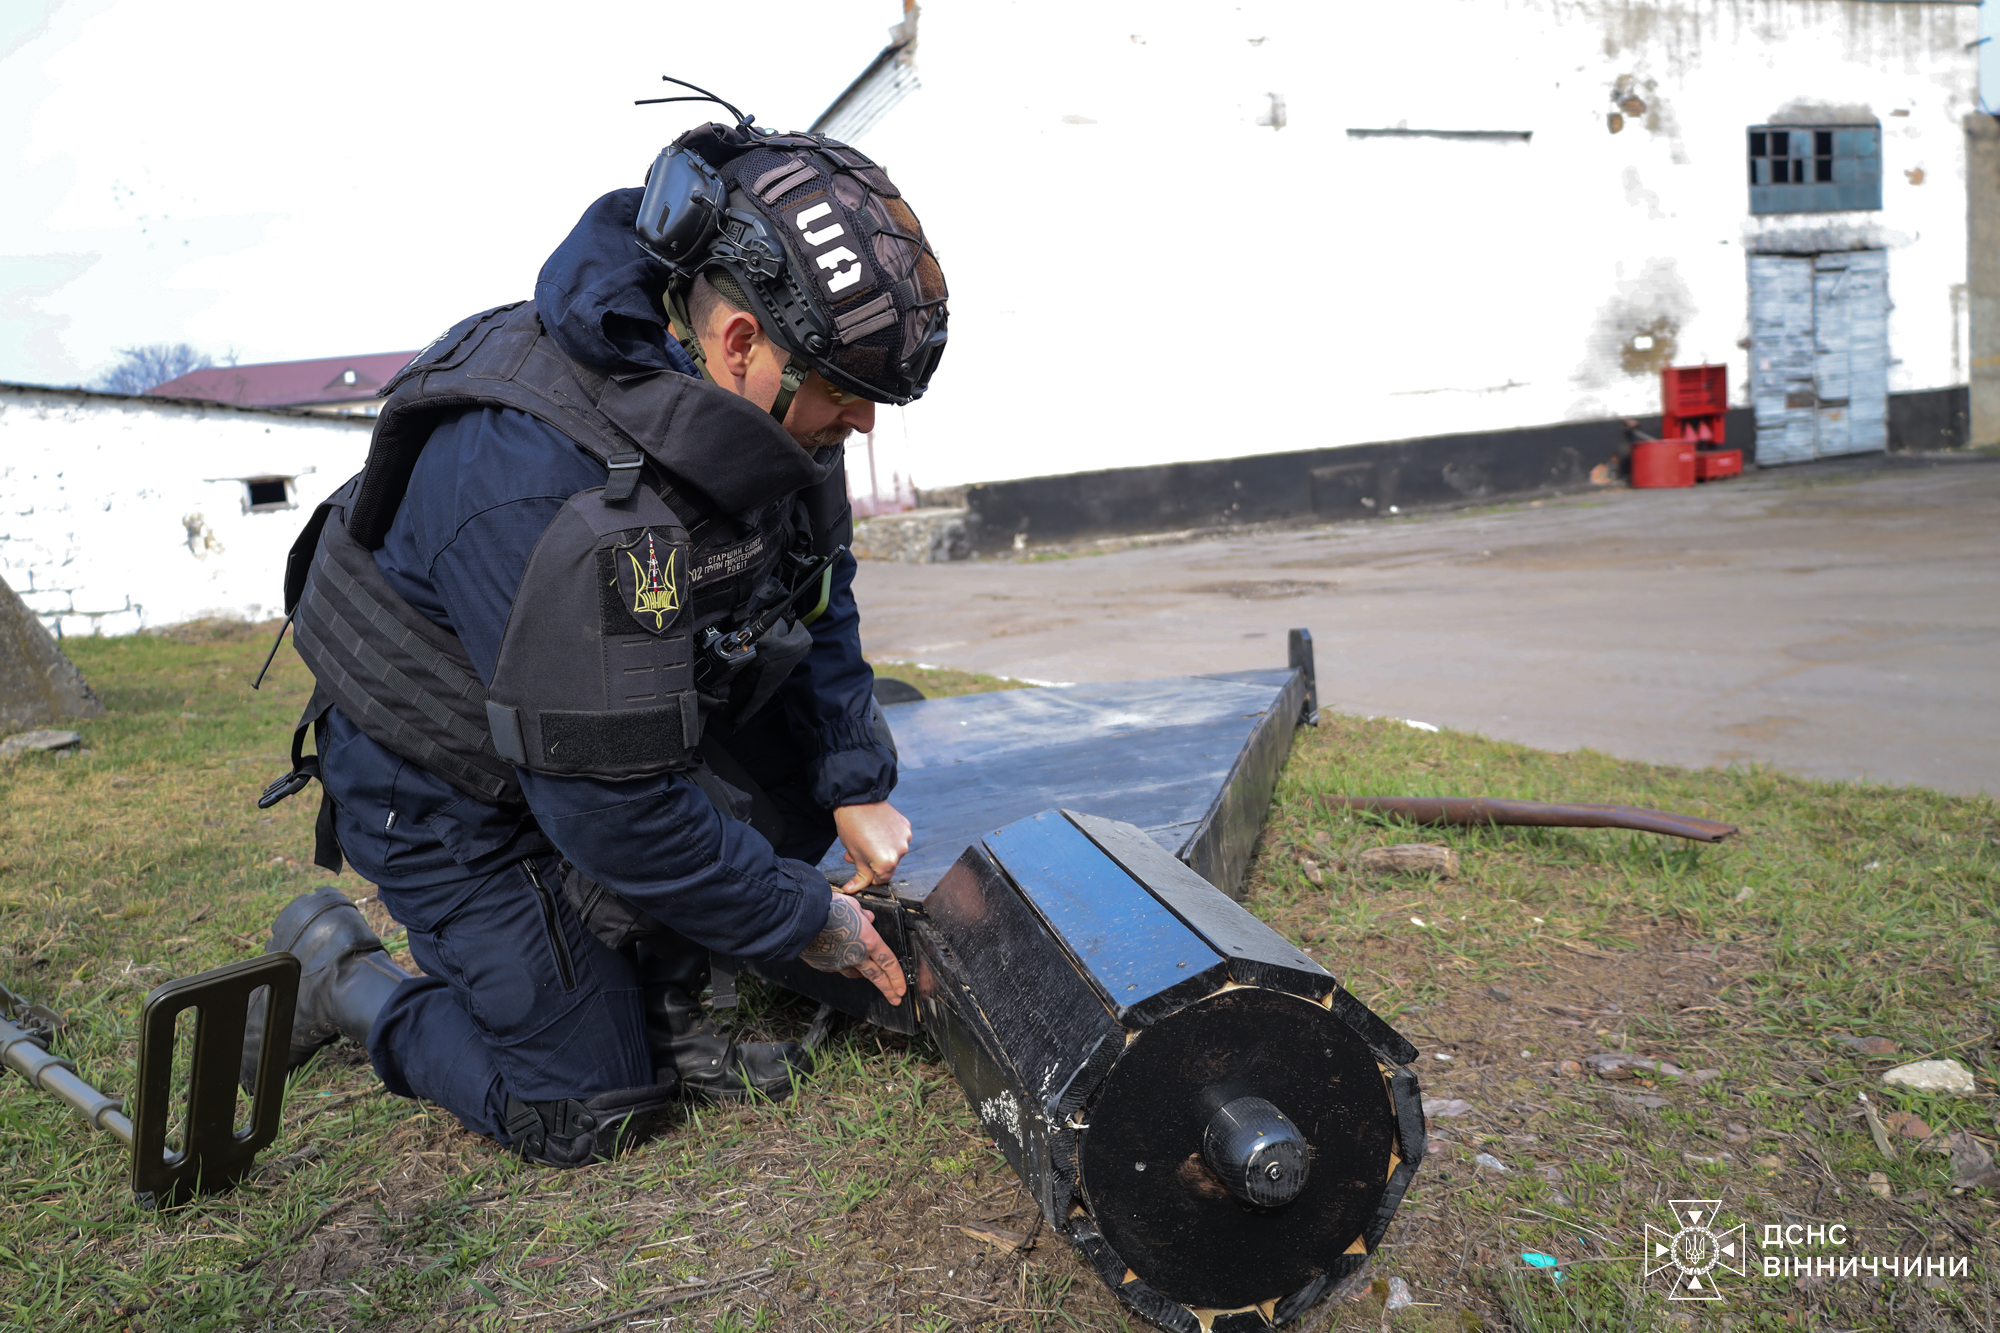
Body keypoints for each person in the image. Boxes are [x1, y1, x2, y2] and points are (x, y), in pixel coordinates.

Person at [242, 110, 949, 1167]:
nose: (863, 427)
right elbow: (611, 806)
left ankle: (645, 954)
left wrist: (853, 776)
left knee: (806, 788)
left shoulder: (776, 401)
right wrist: (806, 919)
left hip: (594, 724)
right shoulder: (546, 482)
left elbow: (816, 588)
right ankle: (342, 978)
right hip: (447, 787)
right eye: (851, 398)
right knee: (592, 1105)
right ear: (740, 341)